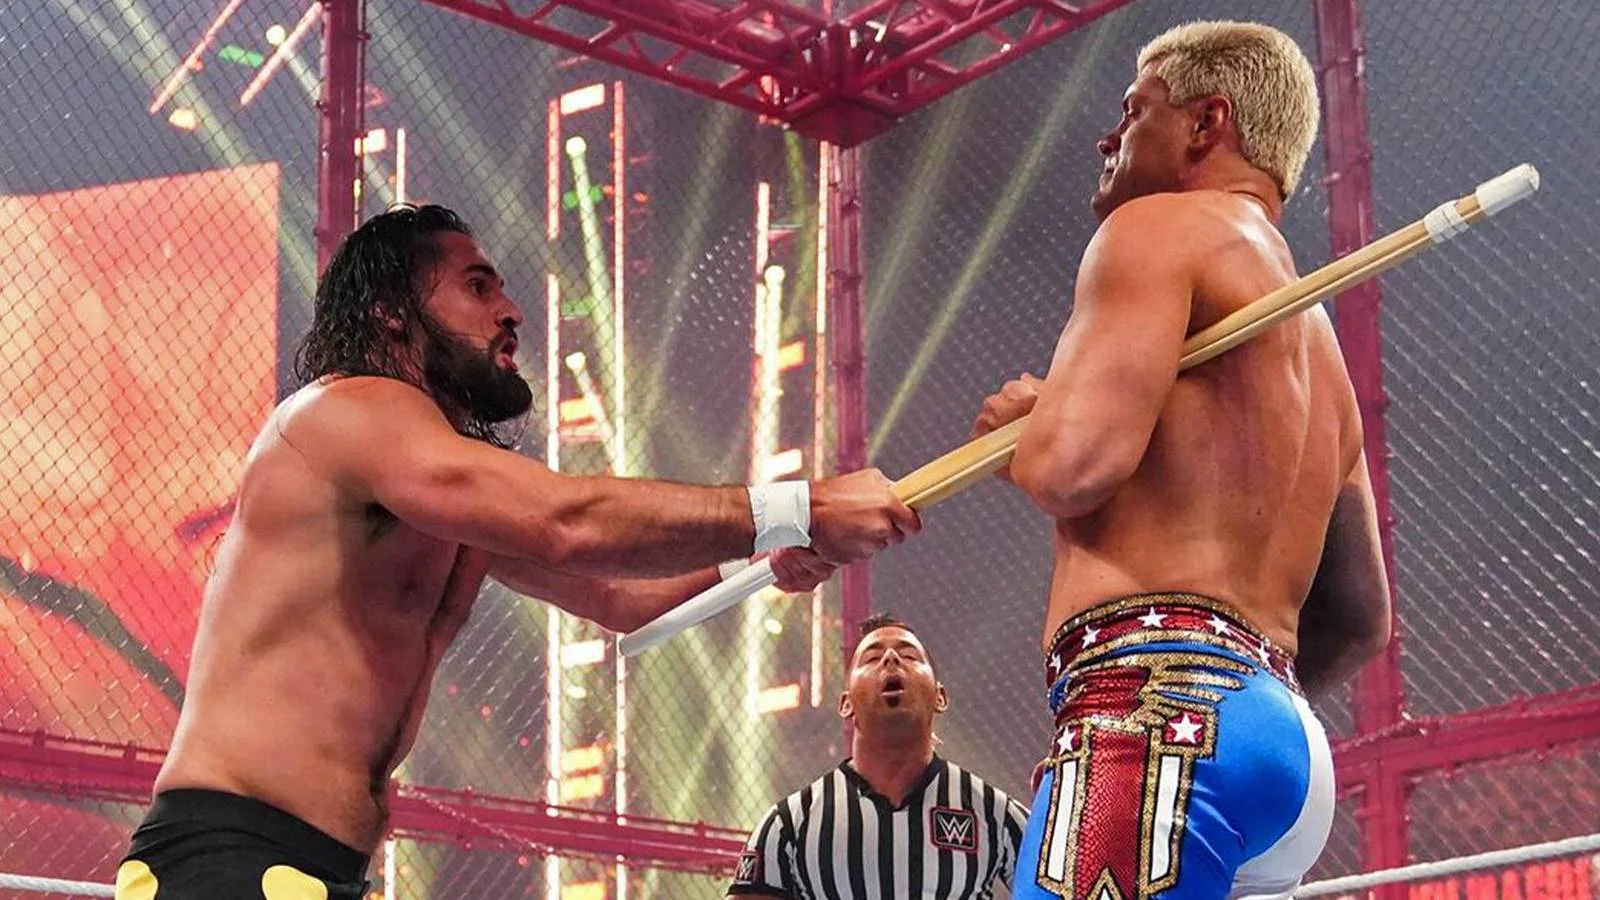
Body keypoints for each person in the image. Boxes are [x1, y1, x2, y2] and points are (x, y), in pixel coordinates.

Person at [113, 204, 920, 899]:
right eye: (477, 287)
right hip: (227, 855)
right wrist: (799, 507)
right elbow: (567, 519)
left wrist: (773, 553)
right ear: (392, 313)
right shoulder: (345, 415)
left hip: (313, 864)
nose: (511, 312)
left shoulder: (433, 477)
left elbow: (619, 598)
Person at [971, 21, 1391, 900]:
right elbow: (1358, 617)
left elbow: (1070, 469)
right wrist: (1239, 707)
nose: (1108, 136)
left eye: (1135, 111)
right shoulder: (1320, 346)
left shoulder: (1156, 228)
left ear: (1206, 124)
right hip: (1281, 741)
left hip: (1154, 710)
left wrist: (1030, 429)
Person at [729, 613, 1028, 899]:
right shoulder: (789, 823)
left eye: (909, 655)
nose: (891, 658)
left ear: (940, 697)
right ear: (846, 703)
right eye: (872, 658)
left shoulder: (994, 812)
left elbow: (1055, 885)